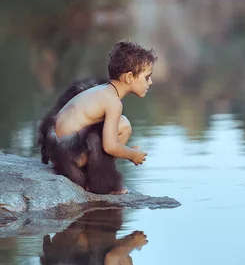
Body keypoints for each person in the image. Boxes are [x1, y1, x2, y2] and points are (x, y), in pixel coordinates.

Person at [37, 41, 158, 194]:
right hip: (68, 155)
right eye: (147, 77)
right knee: (124, 126)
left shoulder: (102, 90)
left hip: (58, 150)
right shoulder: (113, 101)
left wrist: (126, 150)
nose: (151, 82)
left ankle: (92, 175)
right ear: (128, 77)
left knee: (117, 126)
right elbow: (110, 146)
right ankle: (99, 183)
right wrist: (131, 154)